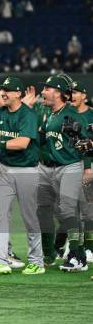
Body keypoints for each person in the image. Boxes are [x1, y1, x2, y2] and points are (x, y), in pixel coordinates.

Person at [0, 77, 45, 275]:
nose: (3, 93)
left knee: (30, 217)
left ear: (18, 94)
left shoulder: (28, 114)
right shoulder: (0, 112)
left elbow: (22, 143)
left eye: (8, 90)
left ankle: (37, 261)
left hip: (27, 171)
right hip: (4, 169)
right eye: (3, 89)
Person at [36, 76, 88, 272]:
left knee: (67, 211)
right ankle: (49, 252)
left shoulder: (73, 114)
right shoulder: (49, 114)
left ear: (58, 92)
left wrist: (86, 145)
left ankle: (78, 255)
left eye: (47, 89)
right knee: (43, 210)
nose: (43, 92)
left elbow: (89, 140)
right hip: (48, 168)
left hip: (69, 166)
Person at [70, 81, 93, 263]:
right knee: (70, 212)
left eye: (76, 92)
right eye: (70, 92)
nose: (72, 95)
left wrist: (88, 168)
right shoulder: (66, 115)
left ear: (84, 96)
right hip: (69, 167)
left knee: (88, 212)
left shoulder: (91, 115)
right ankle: (74, 248)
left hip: (89, 168)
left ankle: (89, 248)